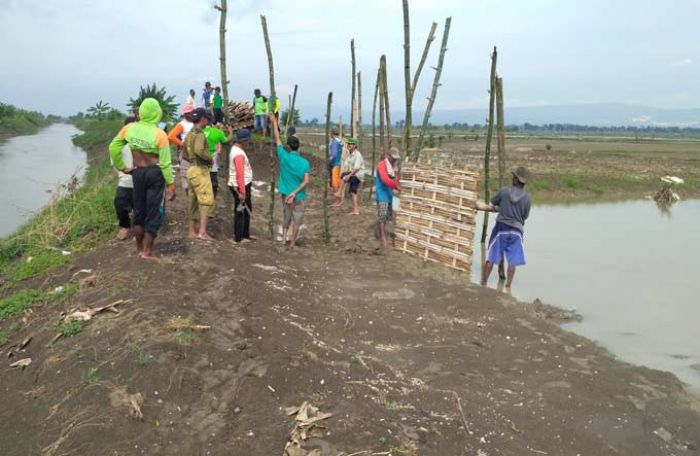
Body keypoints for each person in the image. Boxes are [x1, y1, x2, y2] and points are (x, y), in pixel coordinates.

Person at [109, 98, 175, 260]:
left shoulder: (129, 129)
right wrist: (171, 184)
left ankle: (139, 249)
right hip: (155, 174)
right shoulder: (160, 134)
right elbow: (165, 163)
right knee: (154, 213)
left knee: (139, 211)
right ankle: (147, 252)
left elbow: (113, 147)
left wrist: (121, 166)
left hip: (137, 173)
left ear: (142, 113)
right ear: (157, 113)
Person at [481, 166, 532, 289]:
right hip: (517, 232)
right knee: (512, 260)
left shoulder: (504, 191)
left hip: (501, 229)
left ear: (515, 180)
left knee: (492, 257)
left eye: (513, 177)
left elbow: (491, 204)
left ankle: (483, 283)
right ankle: (508, 286)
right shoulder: (527, 198)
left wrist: (500, 208)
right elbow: (525, 216)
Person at [269, 114, 310, 247]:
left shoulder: (283, 156)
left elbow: (277, 139)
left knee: (286, 214)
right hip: (299, 195)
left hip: (285, 193)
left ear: (289, 146)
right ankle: (292, 242)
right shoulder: (304, 163)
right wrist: (295, 192)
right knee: (297, 219)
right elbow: (306, 181)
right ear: (299, 147)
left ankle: (284, 238)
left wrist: (274, 123)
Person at [182, 108, 215, 241]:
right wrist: (209, 159)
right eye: (206, 119)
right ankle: (202, 232)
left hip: (191, 169)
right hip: (200, 169)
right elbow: (199, 150)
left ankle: (191, 231)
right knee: (206, 200)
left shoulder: (189, 134)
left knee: (192, 201)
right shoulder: (200, 134)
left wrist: (192, 160)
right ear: (202, 119)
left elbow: (184, 153)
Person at [228, 128, 255, 243]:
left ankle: (245, 234)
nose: (248, 142)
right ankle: (239, 237)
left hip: (242, 185)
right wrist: (242, 192)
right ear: (243, 140)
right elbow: (240, 174)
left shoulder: (236, 149)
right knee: (240, 210)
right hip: (240, 186)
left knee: (246, 208)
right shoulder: (238, 154)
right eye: (248, 140)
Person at [112, 116, 137, 240]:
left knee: (142, 207)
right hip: (125, 180)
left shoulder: (142, 142)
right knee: (120, 203)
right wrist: (123, 172)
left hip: (141, 179)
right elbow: (114, 164)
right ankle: (125, 227)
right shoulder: (118, 144)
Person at [374, 147, 400, 247]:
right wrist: (396, 186)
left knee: (386, 217)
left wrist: (397, 186)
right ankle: (382, 237)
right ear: (388, 156)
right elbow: (385, 180)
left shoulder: (393, 167)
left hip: (389, 195)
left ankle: (378, 232)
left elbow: (395, 179)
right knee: (382, 216)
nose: (394, 160)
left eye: (396, 158)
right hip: (382, 194)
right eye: (393, 158)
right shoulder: (382, 165)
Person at [168, 104, 196, 193]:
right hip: (186, 152)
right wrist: (182, 144)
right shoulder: (182, 124)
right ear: (184, 114)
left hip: (197, 152)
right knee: (186, 176)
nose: (189, 115)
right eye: (186, 113)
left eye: (190, 113)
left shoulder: (196, 122)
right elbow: (171, 136)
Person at [203, 122, 234, 198]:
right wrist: (231, 132)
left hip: (201, 161)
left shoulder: (198, 131)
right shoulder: (217, 132)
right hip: (212, 161)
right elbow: (226, 140)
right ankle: (213, 198)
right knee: (213, 182)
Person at [341, 137, 364, 215]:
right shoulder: (350, 154)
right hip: (354, 173)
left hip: (358, 175)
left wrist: (348, 176)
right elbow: (346, 164)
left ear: (354, 145)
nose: (349, 145)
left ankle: (339, 193)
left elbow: (357, 168)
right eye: (349, 144)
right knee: (353, 192)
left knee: (345, 178)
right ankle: (355, 209)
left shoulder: (357, 154)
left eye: (351, 144)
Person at [328, 127, 343, 207]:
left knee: (334, 184)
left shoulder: (334, 142)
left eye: (330, 133)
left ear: (332, 134)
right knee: (336, 183)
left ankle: (338, 201)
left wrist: (329, 161)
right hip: (338, 163)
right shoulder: (339, 141)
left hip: (334, 164)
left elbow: (333, 155)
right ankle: (338, 200)